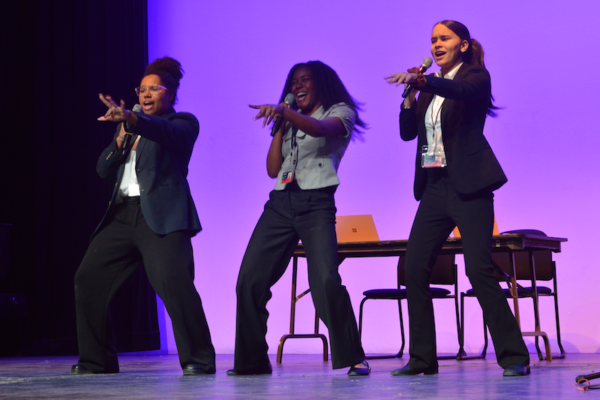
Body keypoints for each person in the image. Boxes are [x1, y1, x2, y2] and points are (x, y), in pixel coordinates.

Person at [385, 20, 530, 377]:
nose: (436, 45)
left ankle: (514, 356)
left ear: (462, 45)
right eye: (433, 40)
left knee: (477, 269)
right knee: (413, 268)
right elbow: (407, 134)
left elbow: (461, 92)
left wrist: (424, 82)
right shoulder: (428, 86)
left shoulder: (475, 76)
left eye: (444, 38)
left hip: (470, 186)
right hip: (434, 187)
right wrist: (410, 95)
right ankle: (422, 359)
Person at [71, 57, 216, 376]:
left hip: (163, 217)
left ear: (170, 94)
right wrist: (120, 138)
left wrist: (133, 120)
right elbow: (103, 169)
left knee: (175, 284)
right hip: (122, 215)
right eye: (141, 89)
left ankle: (199, 358)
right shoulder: (128, 127)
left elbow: (167, 133)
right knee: (88, 279)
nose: (146, 94)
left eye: (154, 88)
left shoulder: (182, 123)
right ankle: (96, 360)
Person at [227, 61, 370, 376]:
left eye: (305, 80)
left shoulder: (341, 111)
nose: (297, 86)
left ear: (321, 83)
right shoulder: (289, 120)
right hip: (280, 202)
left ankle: (353, 356)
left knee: (325, 280)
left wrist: (286, 112)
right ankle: (252, 361)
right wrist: (280, 125)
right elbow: (272, 169)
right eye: (294, 82)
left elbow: (321, 129)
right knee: (249, 279)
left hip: (316, 202)